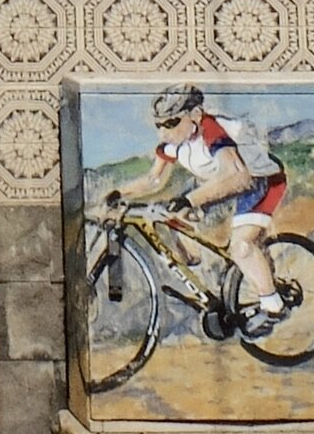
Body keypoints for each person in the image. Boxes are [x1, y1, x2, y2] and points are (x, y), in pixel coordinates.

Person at [110, 83, 291, 335]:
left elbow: (239, 178)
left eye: (171, 122)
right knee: (171, 216)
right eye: (159, 125)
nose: (164, 132)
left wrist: (191, 201)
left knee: (241, 247)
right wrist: (119, 193)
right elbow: (154, 180)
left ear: (195, 115)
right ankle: (204, 273)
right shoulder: (175, 141)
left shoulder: (212, 130)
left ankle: (273, 306)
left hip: (259, 181)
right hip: (218, 182)